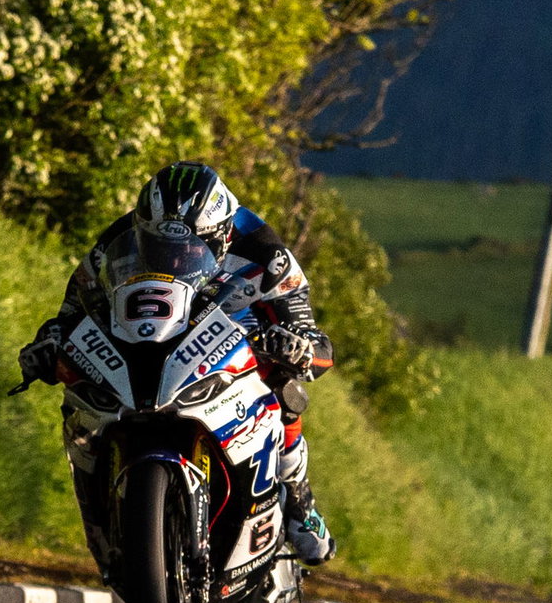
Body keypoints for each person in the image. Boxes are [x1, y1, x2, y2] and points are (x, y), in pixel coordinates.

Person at [17, 161, 336, 565]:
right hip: (150, 331)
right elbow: (71, 310)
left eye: (192, 246)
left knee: (286, 388)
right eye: (160, 246)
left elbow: (312, 335)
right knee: (79, 395)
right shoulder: (116, 240)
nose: (178, 255)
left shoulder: (265, 252)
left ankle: (300, 504)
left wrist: (297, 346)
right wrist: (50, 341)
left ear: (220, 234)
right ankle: (102, 514)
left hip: (236, 333)